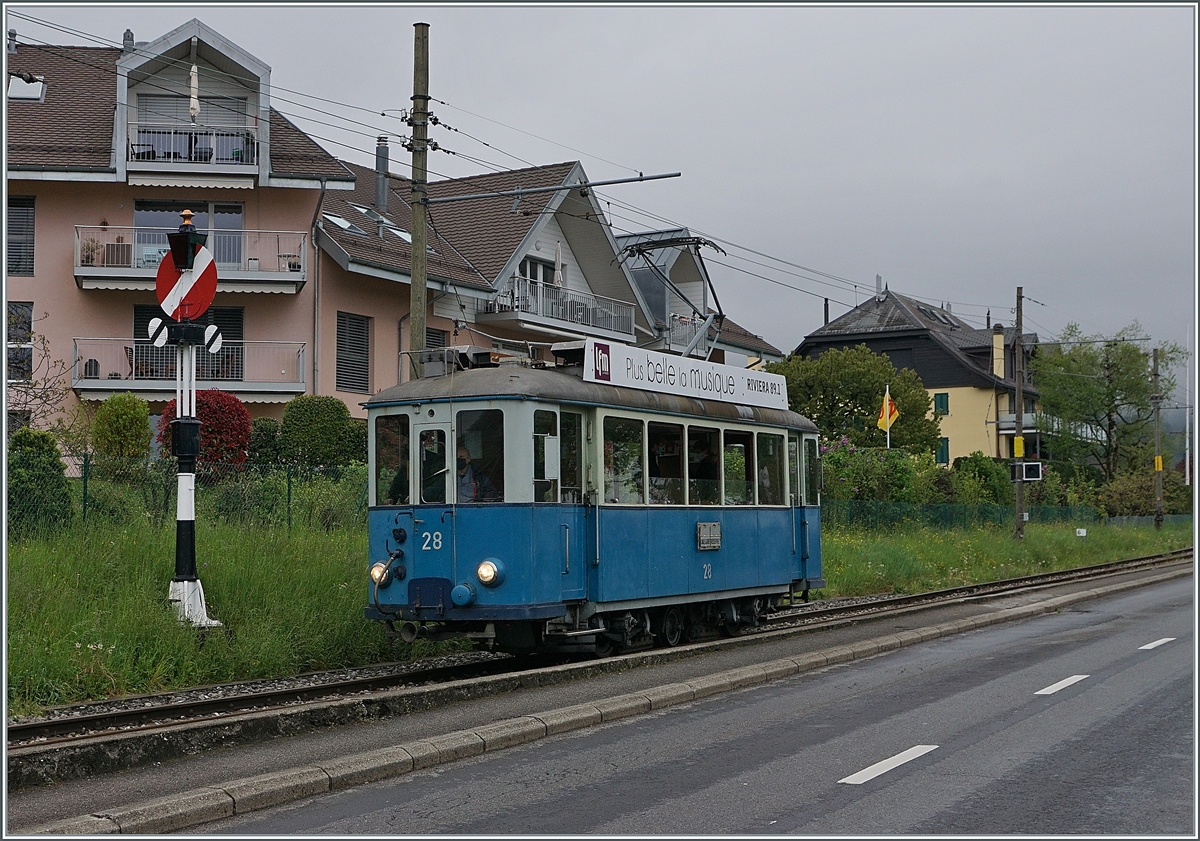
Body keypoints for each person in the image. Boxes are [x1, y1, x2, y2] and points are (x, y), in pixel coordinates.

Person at [385, 433, 409, 505]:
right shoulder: (404, 470)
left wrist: (419, 496)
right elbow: (397, 483)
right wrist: (391, 497)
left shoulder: (430, 461)